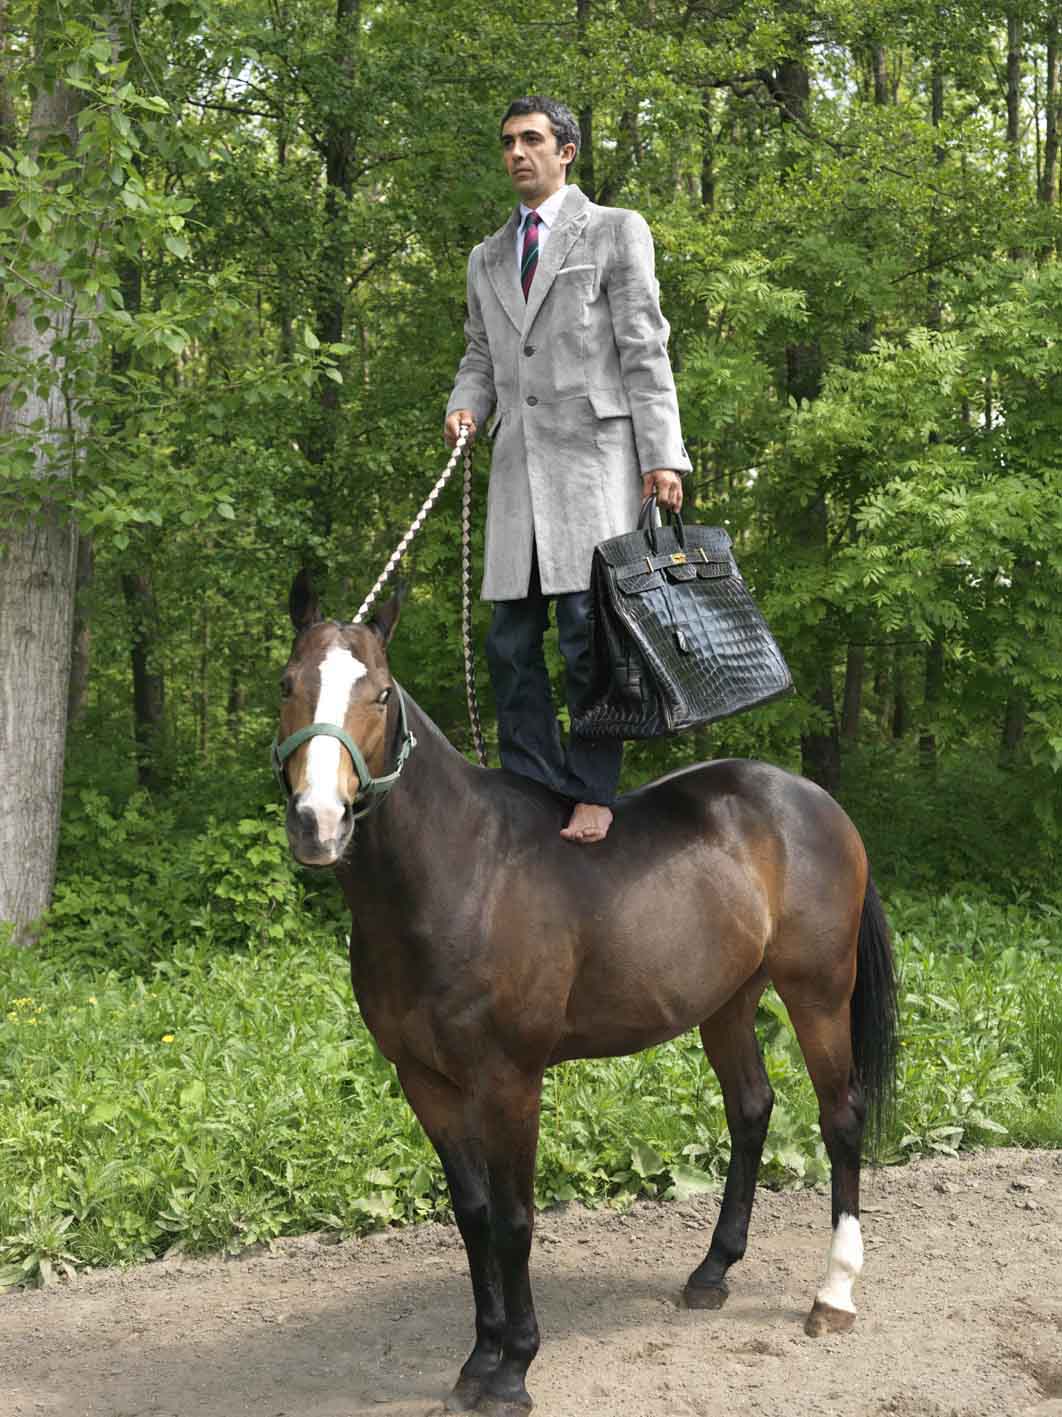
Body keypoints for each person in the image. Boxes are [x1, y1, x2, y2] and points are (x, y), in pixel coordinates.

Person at [444, 96, 690, 843]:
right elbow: (480, 354)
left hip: (595, 471)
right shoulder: (486, 257)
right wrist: (465, 406)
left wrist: (663, 455)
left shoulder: (615, 230)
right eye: (507, 142)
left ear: (566, 150)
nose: (517, 153)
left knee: (589, 640)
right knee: (508, 646)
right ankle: (530, 787)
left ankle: (592, 791)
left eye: (531, 139)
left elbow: (644, 347)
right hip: (517, 477)